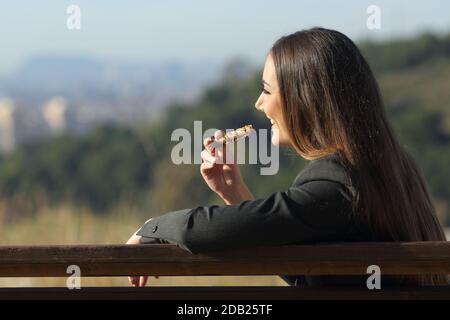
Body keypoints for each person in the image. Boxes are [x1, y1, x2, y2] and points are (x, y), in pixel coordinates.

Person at [126, 27, 448, 287]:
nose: (258, 104)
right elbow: (305, 272)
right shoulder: (394, 166)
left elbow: (203, 231)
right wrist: (235, 193)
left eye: (267, 90)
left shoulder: (336, 183)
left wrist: (151, 227)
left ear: (303, 100)